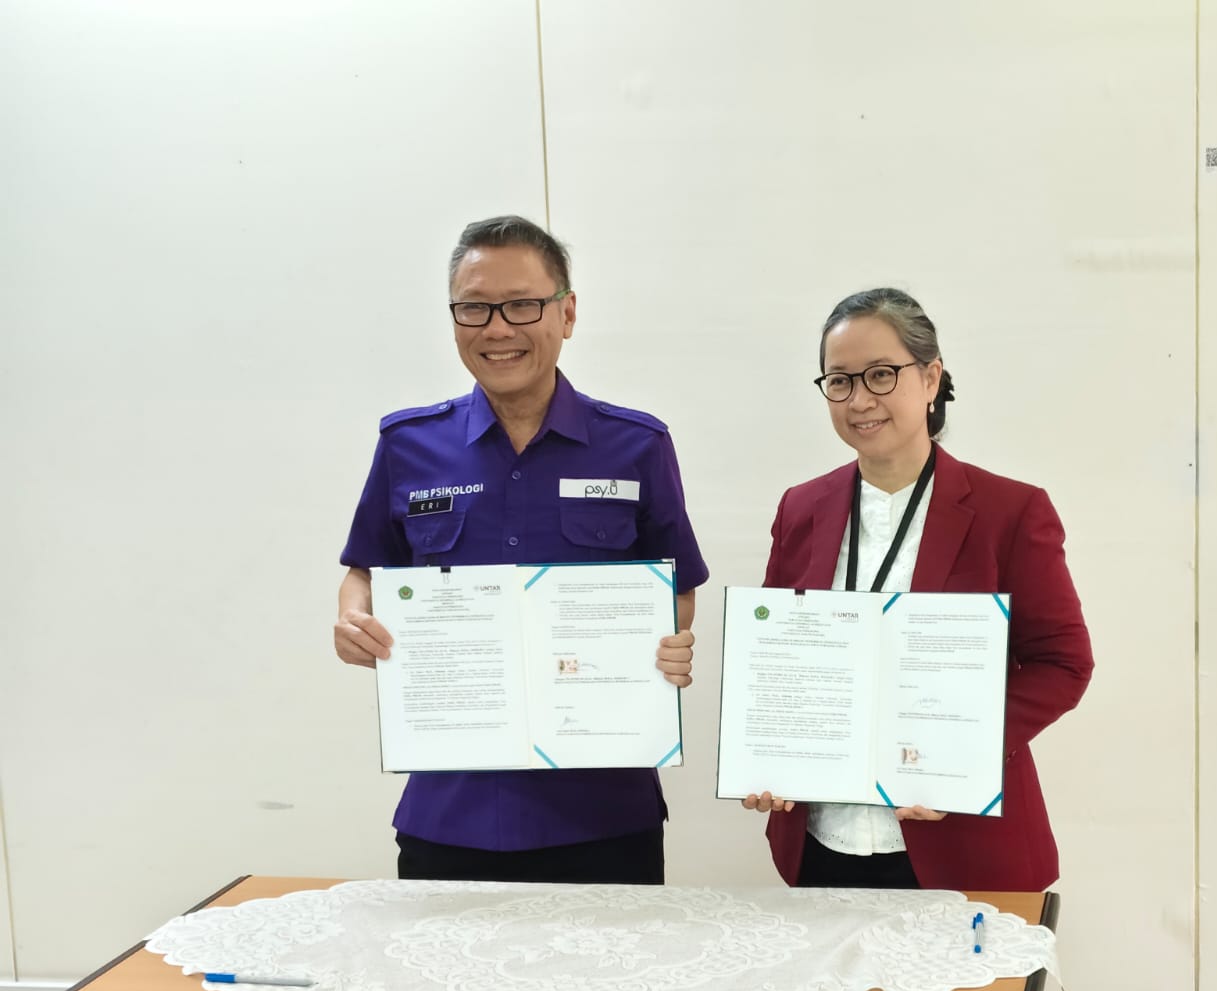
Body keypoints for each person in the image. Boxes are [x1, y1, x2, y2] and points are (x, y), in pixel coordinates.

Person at [335, 216, 708, 884]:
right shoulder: (408, 446)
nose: (497, 328)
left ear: (567, 313)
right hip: (450, 811)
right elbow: (365, 569)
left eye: (522, 305)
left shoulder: (636, 446)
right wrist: (353, 618)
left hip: (602, 814)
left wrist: (665, 639)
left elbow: (676, 587)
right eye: (474, 308)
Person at [743, 288, 1093, 892]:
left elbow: (1063, 664)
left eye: (882, 374)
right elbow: (782, 658)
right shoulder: (801, 507)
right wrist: (770, 754)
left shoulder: (1010, 511)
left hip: (961, 842)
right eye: (840, 381)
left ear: (931, 379)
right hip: (823, 841)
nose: (860, 400)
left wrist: (960, 754)